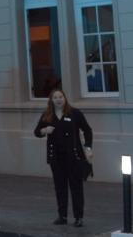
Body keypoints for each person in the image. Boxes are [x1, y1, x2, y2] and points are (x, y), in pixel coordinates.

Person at [33, 89, 93, 228]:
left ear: (65, 98)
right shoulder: (47, 115)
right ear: (51, 100)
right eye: (55, 97)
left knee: (76, 187)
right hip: (56, 158)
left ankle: (79, 217)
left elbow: (87, 130)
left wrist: (88, 147)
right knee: (60, 187)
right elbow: (36, 132)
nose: (59, 99)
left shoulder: (74, 113)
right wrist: (44, 131)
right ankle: (62, 216)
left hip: (73, 157)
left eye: (61, 97)